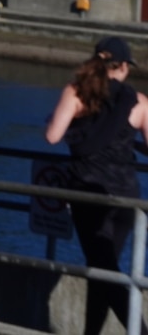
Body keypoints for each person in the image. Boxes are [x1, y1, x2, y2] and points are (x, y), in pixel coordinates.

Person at [45, 36, 148, 335]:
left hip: (87, 193)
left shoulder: (76, 92)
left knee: (103, 269)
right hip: (126, 198)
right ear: (124, 67)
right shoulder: (139, 102)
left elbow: (52, 136)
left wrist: (57, 119)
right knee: (103, 267)